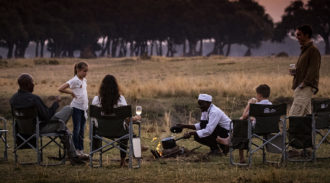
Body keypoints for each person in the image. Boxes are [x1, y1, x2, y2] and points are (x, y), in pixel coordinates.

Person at [10, 73, 85, 165]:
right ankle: (73, 156)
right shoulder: (34, 99)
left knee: (61, 122)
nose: (34, 84)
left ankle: (72, 155)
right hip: (39, 128)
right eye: (32, 82)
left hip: (21, 131)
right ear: (27, 85)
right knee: (67, 111)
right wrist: (56, 103)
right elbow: (47, 116)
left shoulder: (13, 99)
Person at [91, 74, 142, 167]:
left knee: (124, 128)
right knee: (126, 129)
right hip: (119, 131)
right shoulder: (120, 99)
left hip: (101, 131)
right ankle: (124, 159)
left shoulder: (96, 100)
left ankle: (95, 155)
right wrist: (135, 118)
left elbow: (93, 120)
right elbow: (127, 118)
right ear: (116, 86)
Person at [216, 84, 272, 163]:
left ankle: (236, 150)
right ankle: (229, 139)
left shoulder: (257, 106)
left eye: (256, 94)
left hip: (256, 129)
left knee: (240, 123)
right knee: (243, 122)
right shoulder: (271, 105)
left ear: (259, 95)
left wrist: (249, 104)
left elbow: (244, 115)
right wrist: (253, 118)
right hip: (269, 128)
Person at [289, 24, 321, 116]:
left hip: (305, 87)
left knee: (294, 116)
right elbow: (305, 69)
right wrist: (295, 72)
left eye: (299, 35)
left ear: (306, 35)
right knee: (306, 117)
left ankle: (291, 130)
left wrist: (304, 83)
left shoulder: (313, 50)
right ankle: (308, 130)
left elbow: (313, 69)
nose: (297, 37)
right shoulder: (305, 50)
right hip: (300, 86)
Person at [58, 62, 89, 158]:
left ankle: (81, 150)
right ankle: (75, 151)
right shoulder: (74, 80)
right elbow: (61, 88)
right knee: (77, 130)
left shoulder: (84, 80)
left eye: (87, 71)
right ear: (78, 70)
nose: (85, 73)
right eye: (84, 71)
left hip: (83, 109)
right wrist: (71, 92)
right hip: (76, 108)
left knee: (82, 131)